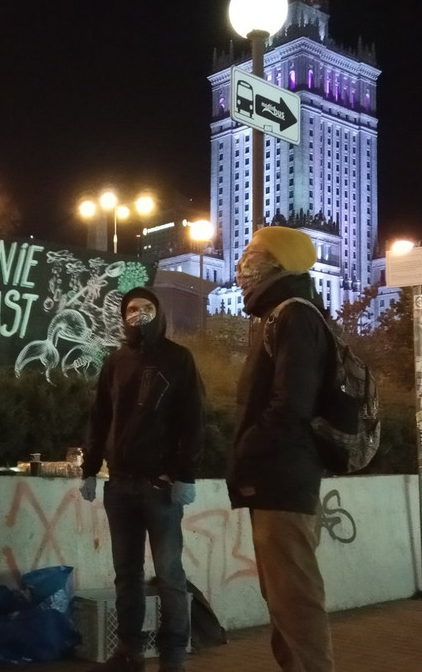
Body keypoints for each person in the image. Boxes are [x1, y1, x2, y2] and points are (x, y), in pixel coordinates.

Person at [79, 287, 205, 672]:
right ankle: (129, 650)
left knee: (169, 575)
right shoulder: (115, 361)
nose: (138, 314)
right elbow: (100, 416)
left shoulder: (178, 358)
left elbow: (193, 421)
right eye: (132, 309)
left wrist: (186, 476)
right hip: (119, 485)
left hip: (161, 486)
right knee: (126, 575)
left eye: (146, 308)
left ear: (158, 312)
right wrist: (89, 470)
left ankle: (173, 656)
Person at [226, 226, 334, 672]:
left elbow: (290, 404)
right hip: (277, 478)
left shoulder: (295, 315)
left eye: (251, 253)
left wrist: (249, 450)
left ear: (277, 263)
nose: (241, 264)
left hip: (283, 478)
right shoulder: (281, 316)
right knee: (283, 601)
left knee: (295, 601)